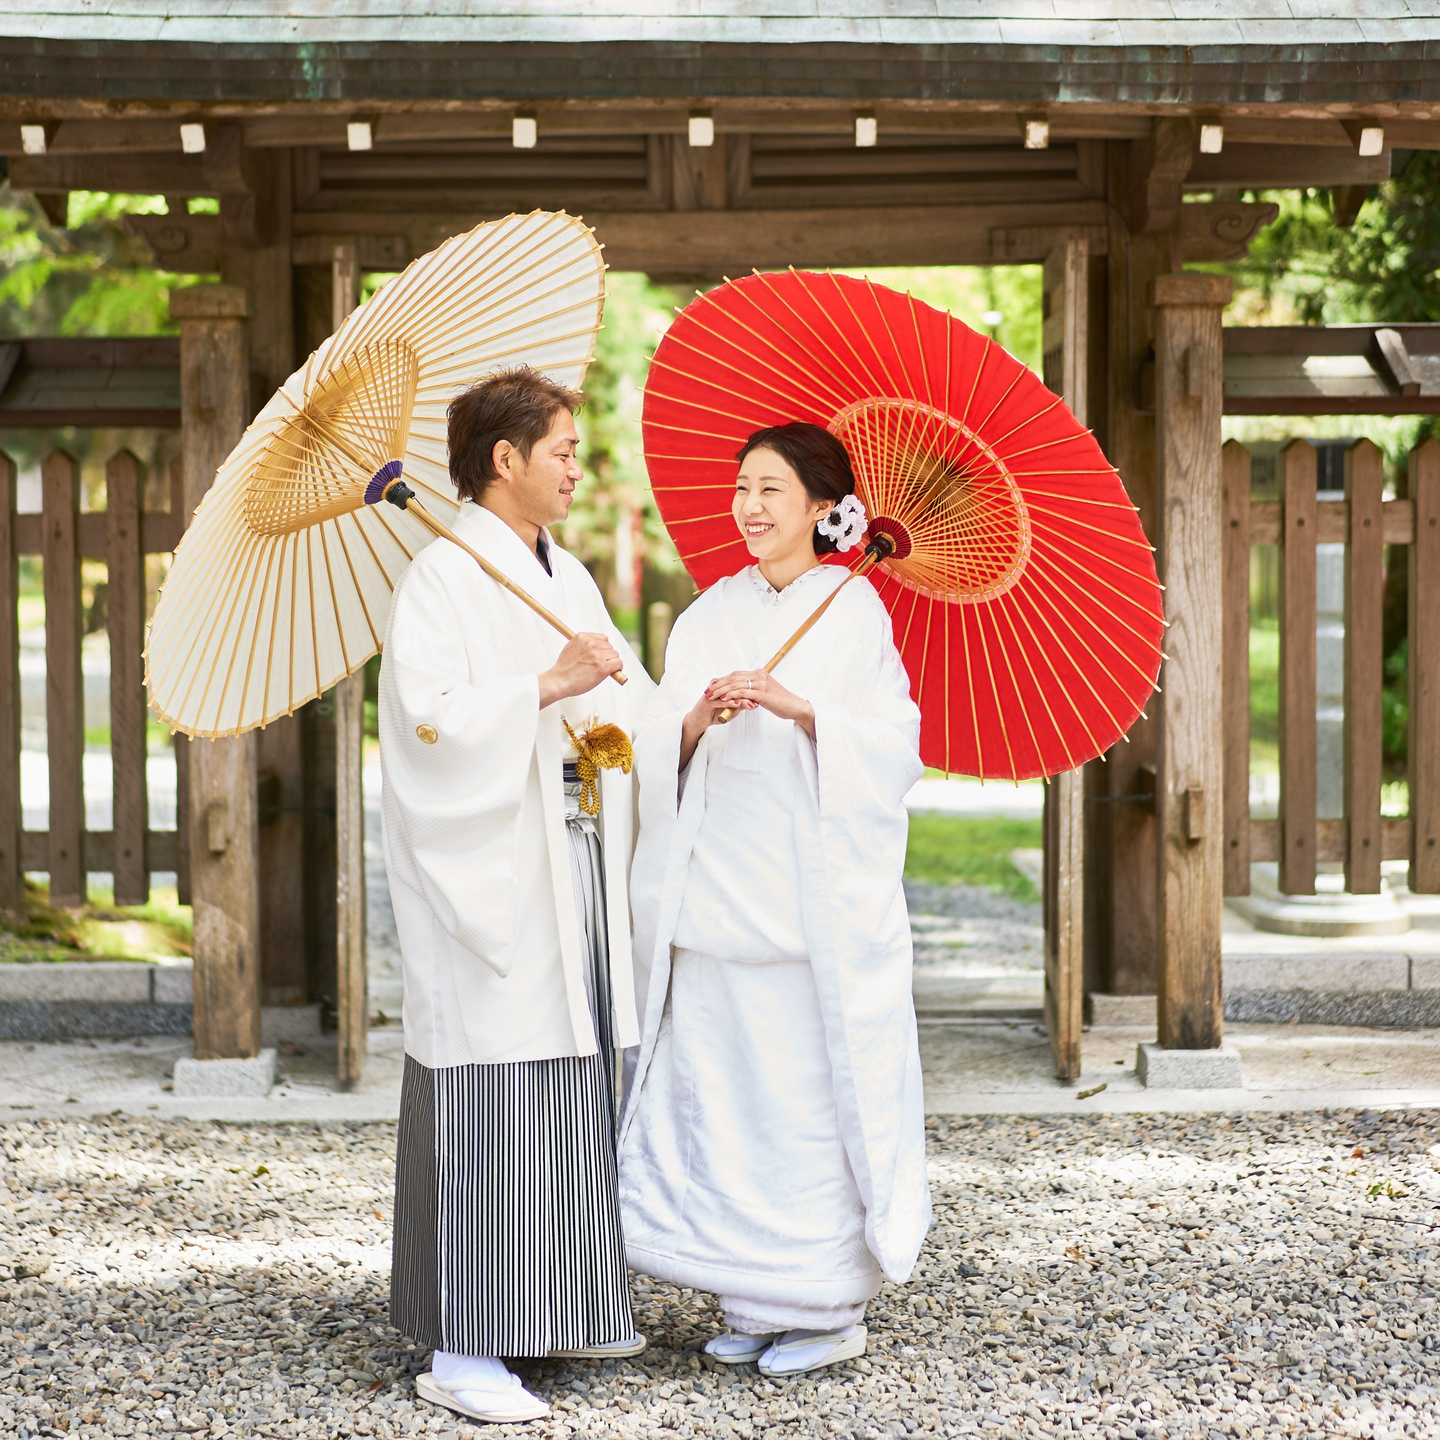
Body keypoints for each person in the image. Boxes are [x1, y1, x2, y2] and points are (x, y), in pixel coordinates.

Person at [618, 421, 931, 1378]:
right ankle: (750, 1296)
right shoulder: (707, 615)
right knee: (722, 1100)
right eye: (743, 487)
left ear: (824, 508)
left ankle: (825, 1306)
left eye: (772, 490)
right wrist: (691, 720)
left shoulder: (855, 612)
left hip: (806, 914)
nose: (751, 507)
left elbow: (894, 748)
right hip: (714, 895)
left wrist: (806, 711)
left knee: (801, 1104)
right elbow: (647, 743)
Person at [380, 367, 651, 1425]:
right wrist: (544, 688)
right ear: (505, 461)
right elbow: (424, 725)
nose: (578, 466)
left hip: (566, 861)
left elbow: (606, 694)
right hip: (489, 878)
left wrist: (642, 732)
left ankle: (547, 1309)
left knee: (568, 1082)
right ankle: (462, 1346)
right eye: (564, 450)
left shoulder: (563, 575)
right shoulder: (442, 579)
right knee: (494, 1098)